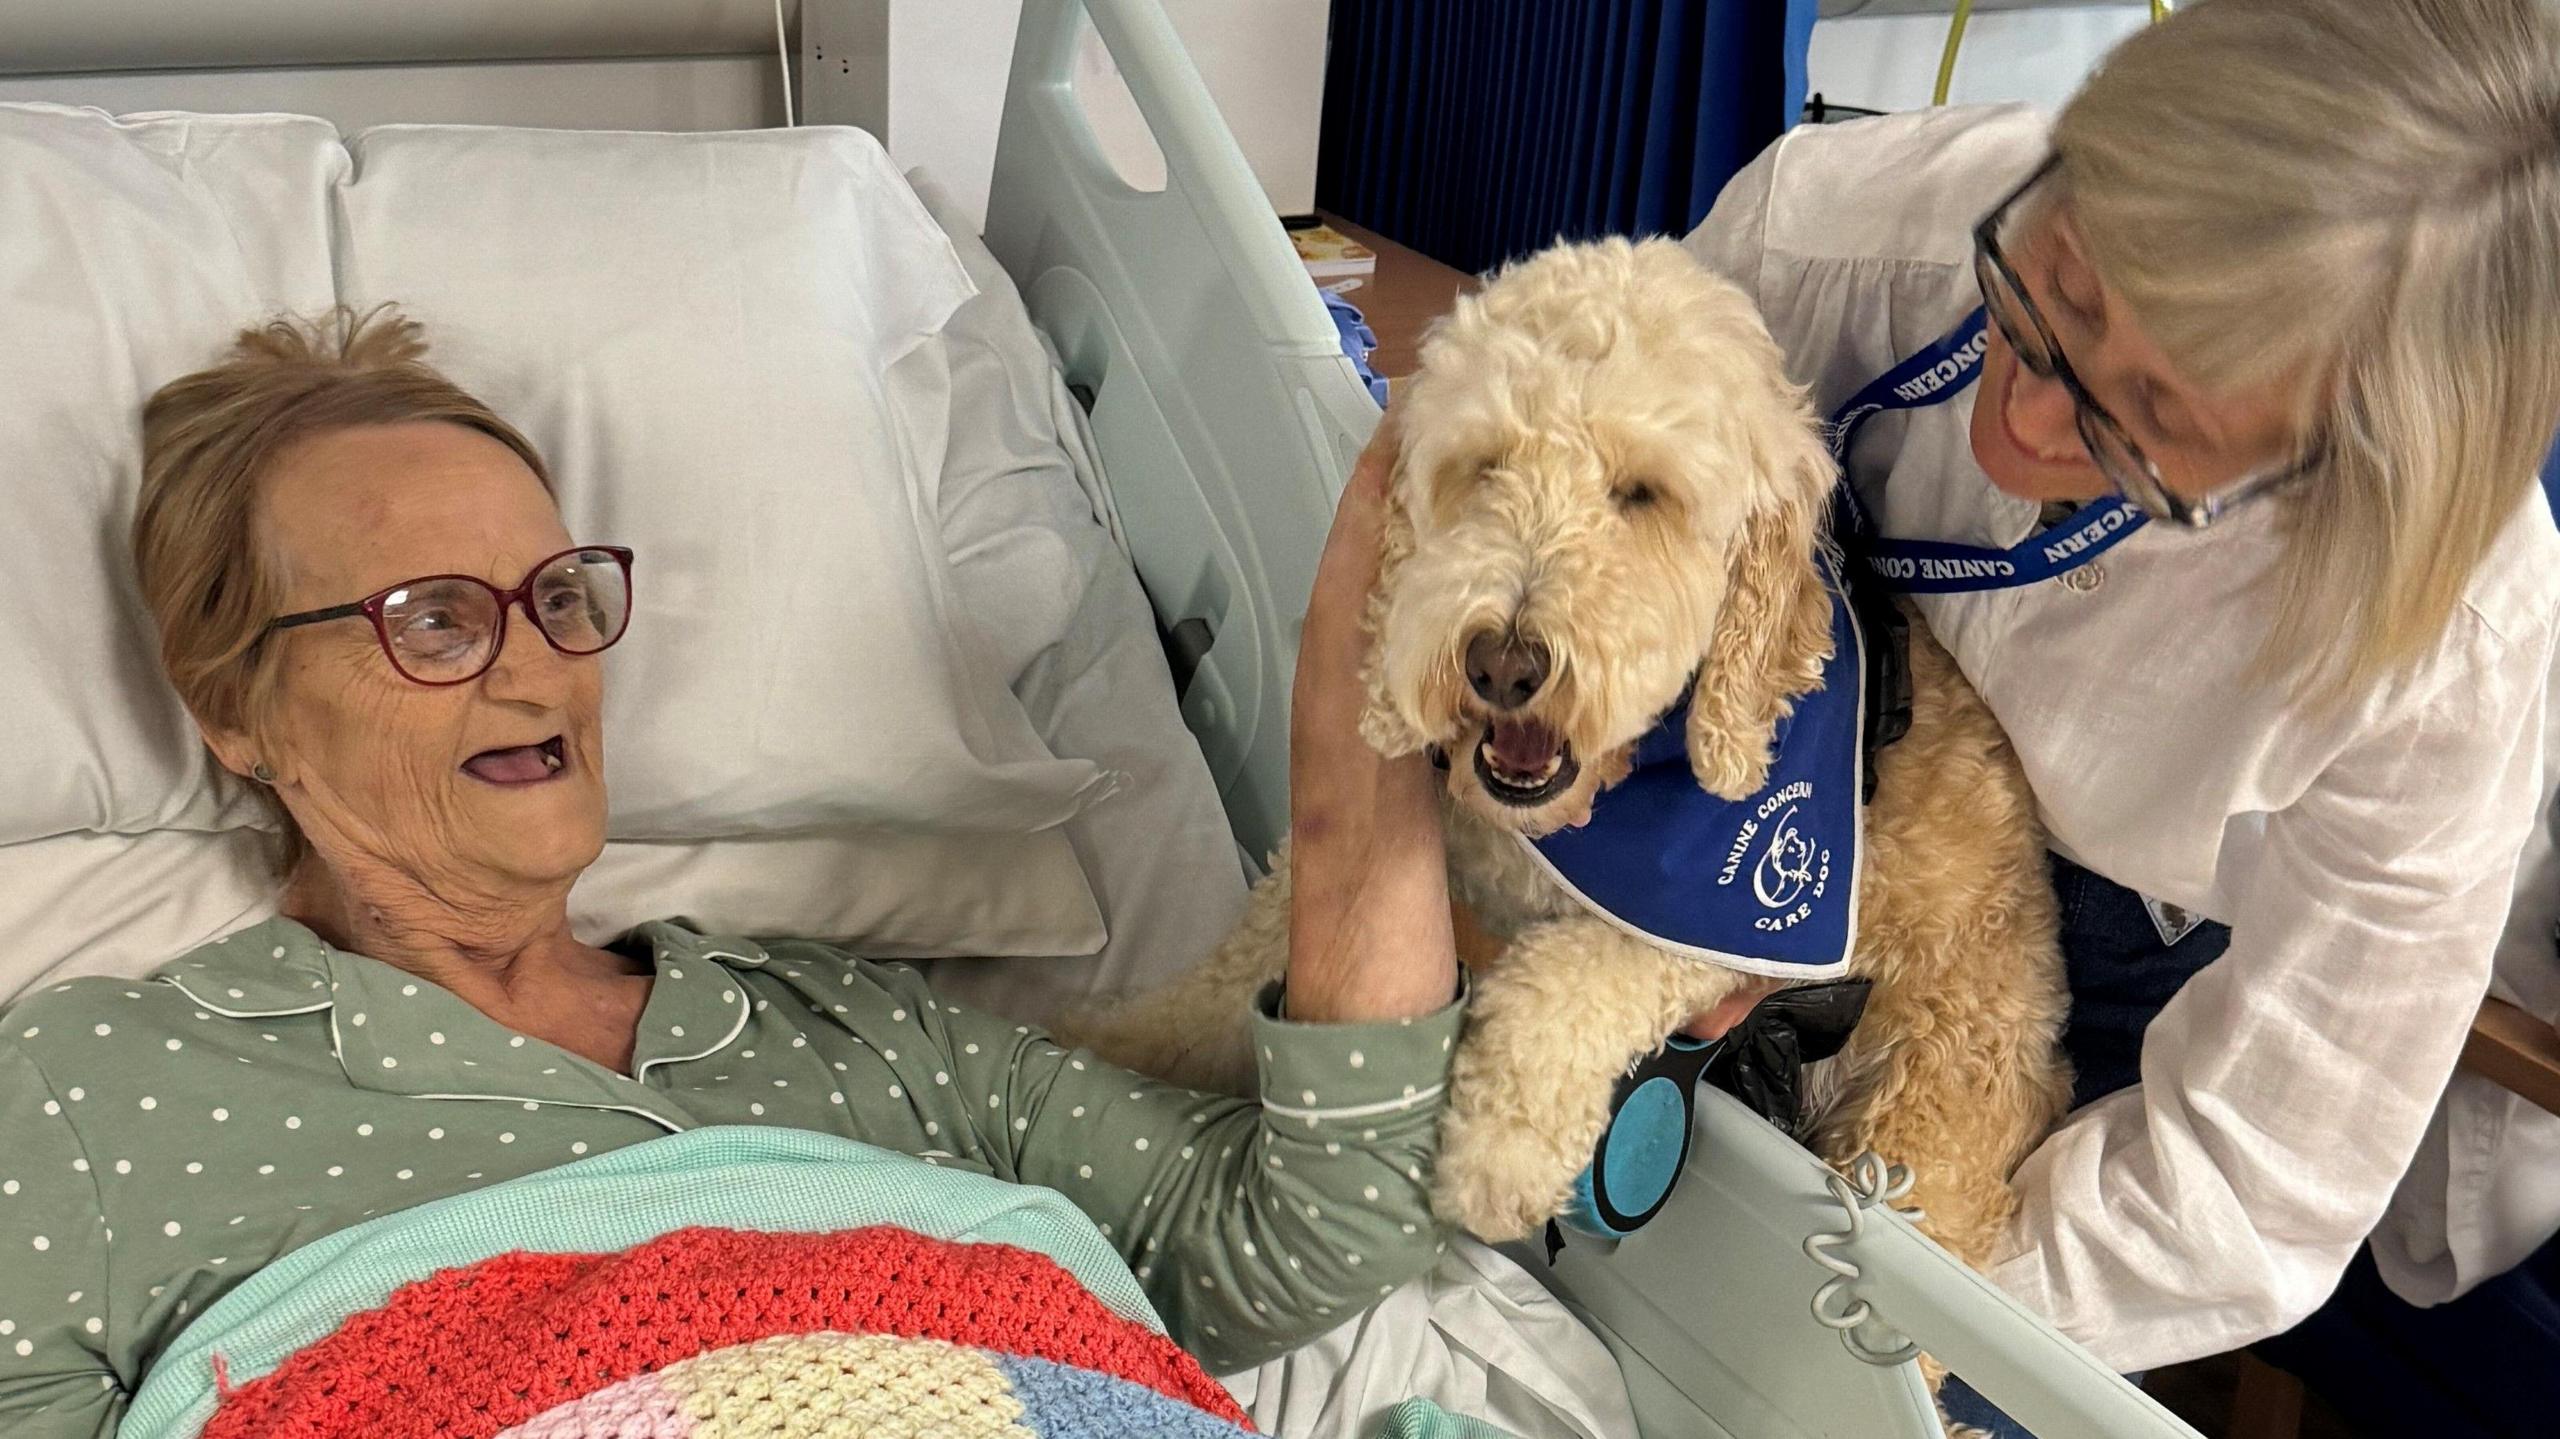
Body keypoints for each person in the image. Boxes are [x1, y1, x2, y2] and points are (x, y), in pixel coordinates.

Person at [0, 307, 1479, 1436]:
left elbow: (1299, 1232)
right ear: (236, 711)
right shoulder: (93, 1093)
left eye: (556, 598)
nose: (535, 676)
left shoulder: (849, 1031)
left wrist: (1366, 712)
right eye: (434, 622)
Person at [1680, 0, 2560, 1431]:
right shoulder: (1850, 226)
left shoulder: (2447, 642)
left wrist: (1879, 1330)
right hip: (1760, 786)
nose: (2020, 426)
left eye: (2143, 429)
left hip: (2119, 971)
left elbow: (2248, 1180)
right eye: (2052, 296)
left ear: (2331, 466)